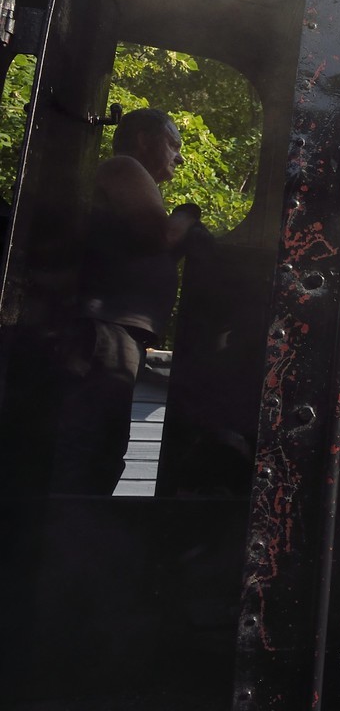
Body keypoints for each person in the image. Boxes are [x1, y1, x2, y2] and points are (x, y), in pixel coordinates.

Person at [50, 108, 205, 494]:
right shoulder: (124, 167)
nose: (180, 157)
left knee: (103, 447)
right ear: (142, 140)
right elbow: (160, 237)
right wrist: (189, 214)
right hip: (105, 332)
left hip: (117, 334)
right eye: (173, 144)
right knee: (90, 447)